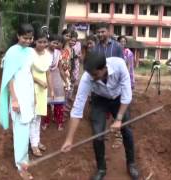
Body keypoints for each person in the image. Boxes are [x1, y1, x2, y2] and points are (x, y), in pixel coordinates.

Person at [61, 51, 139, 180]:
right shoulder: (88, 77)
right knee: (98, 135)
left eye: (95, 74)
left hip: (118, 98)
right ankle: (101, 169)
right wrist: (69, 139)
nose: (92, 77)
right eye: (90, 74)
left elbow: (127, 96)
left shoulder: (119, 65)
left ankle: (131, 164)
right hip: (99, 100)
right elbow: (77, 108)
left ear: (104, 68)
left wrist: (118, 119)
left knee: (126, 130)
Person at [0, 23, 35, 179]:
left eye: (30, 38)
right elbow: (10, 79)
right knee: (21, 131)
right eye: (25, 38)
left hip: (28, 96)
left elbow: (29, 73)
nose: (28, 41)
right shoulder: (12, 53)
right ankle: (21, 166)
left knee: (25, 129)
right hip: (18, 97)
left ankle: (23, 158)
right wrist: (14, 100)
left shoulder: (30, 51)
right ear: (18, 36)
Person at [94, 23, 124, 149]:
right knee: (103, 112)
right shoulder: (96, 48)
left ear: (108, 32)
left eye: (102, 31)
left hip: (114, 83)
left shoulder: (116, 46)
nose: (100, 34)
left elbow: (122, 64)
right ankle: (104, 135)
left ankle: (118, 137)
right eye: (98, 32)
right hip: (102, 83)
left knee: (116, 112)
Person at [30, 29, 53, 157]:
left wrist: (51, 89)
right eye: (40, 42)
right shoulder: (30, 54)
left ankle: (36, 140)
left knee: (39, 115)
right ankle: (33, 144)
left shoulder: (48, 55)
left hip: (43, 88)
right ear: (35, 41)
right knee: (32, 116)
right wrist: (38, 81)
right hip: (31, 86)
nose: (42, 44)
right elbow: (26, 73)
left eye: (45, 42)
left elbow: (48, 73)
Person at [42, 34, 66, 131]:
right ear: (48, 42)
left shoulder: (58, 53)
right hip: (45, 77)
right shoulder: (43, 53)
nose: (55, 45)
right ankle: (46, 122)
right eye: (53, 42)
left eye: (57, 43)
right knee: (47, 102)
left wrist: (66, 81)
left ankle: (59, 122)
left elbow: (60, 68)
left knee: (59, 102)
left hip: (56, 77)